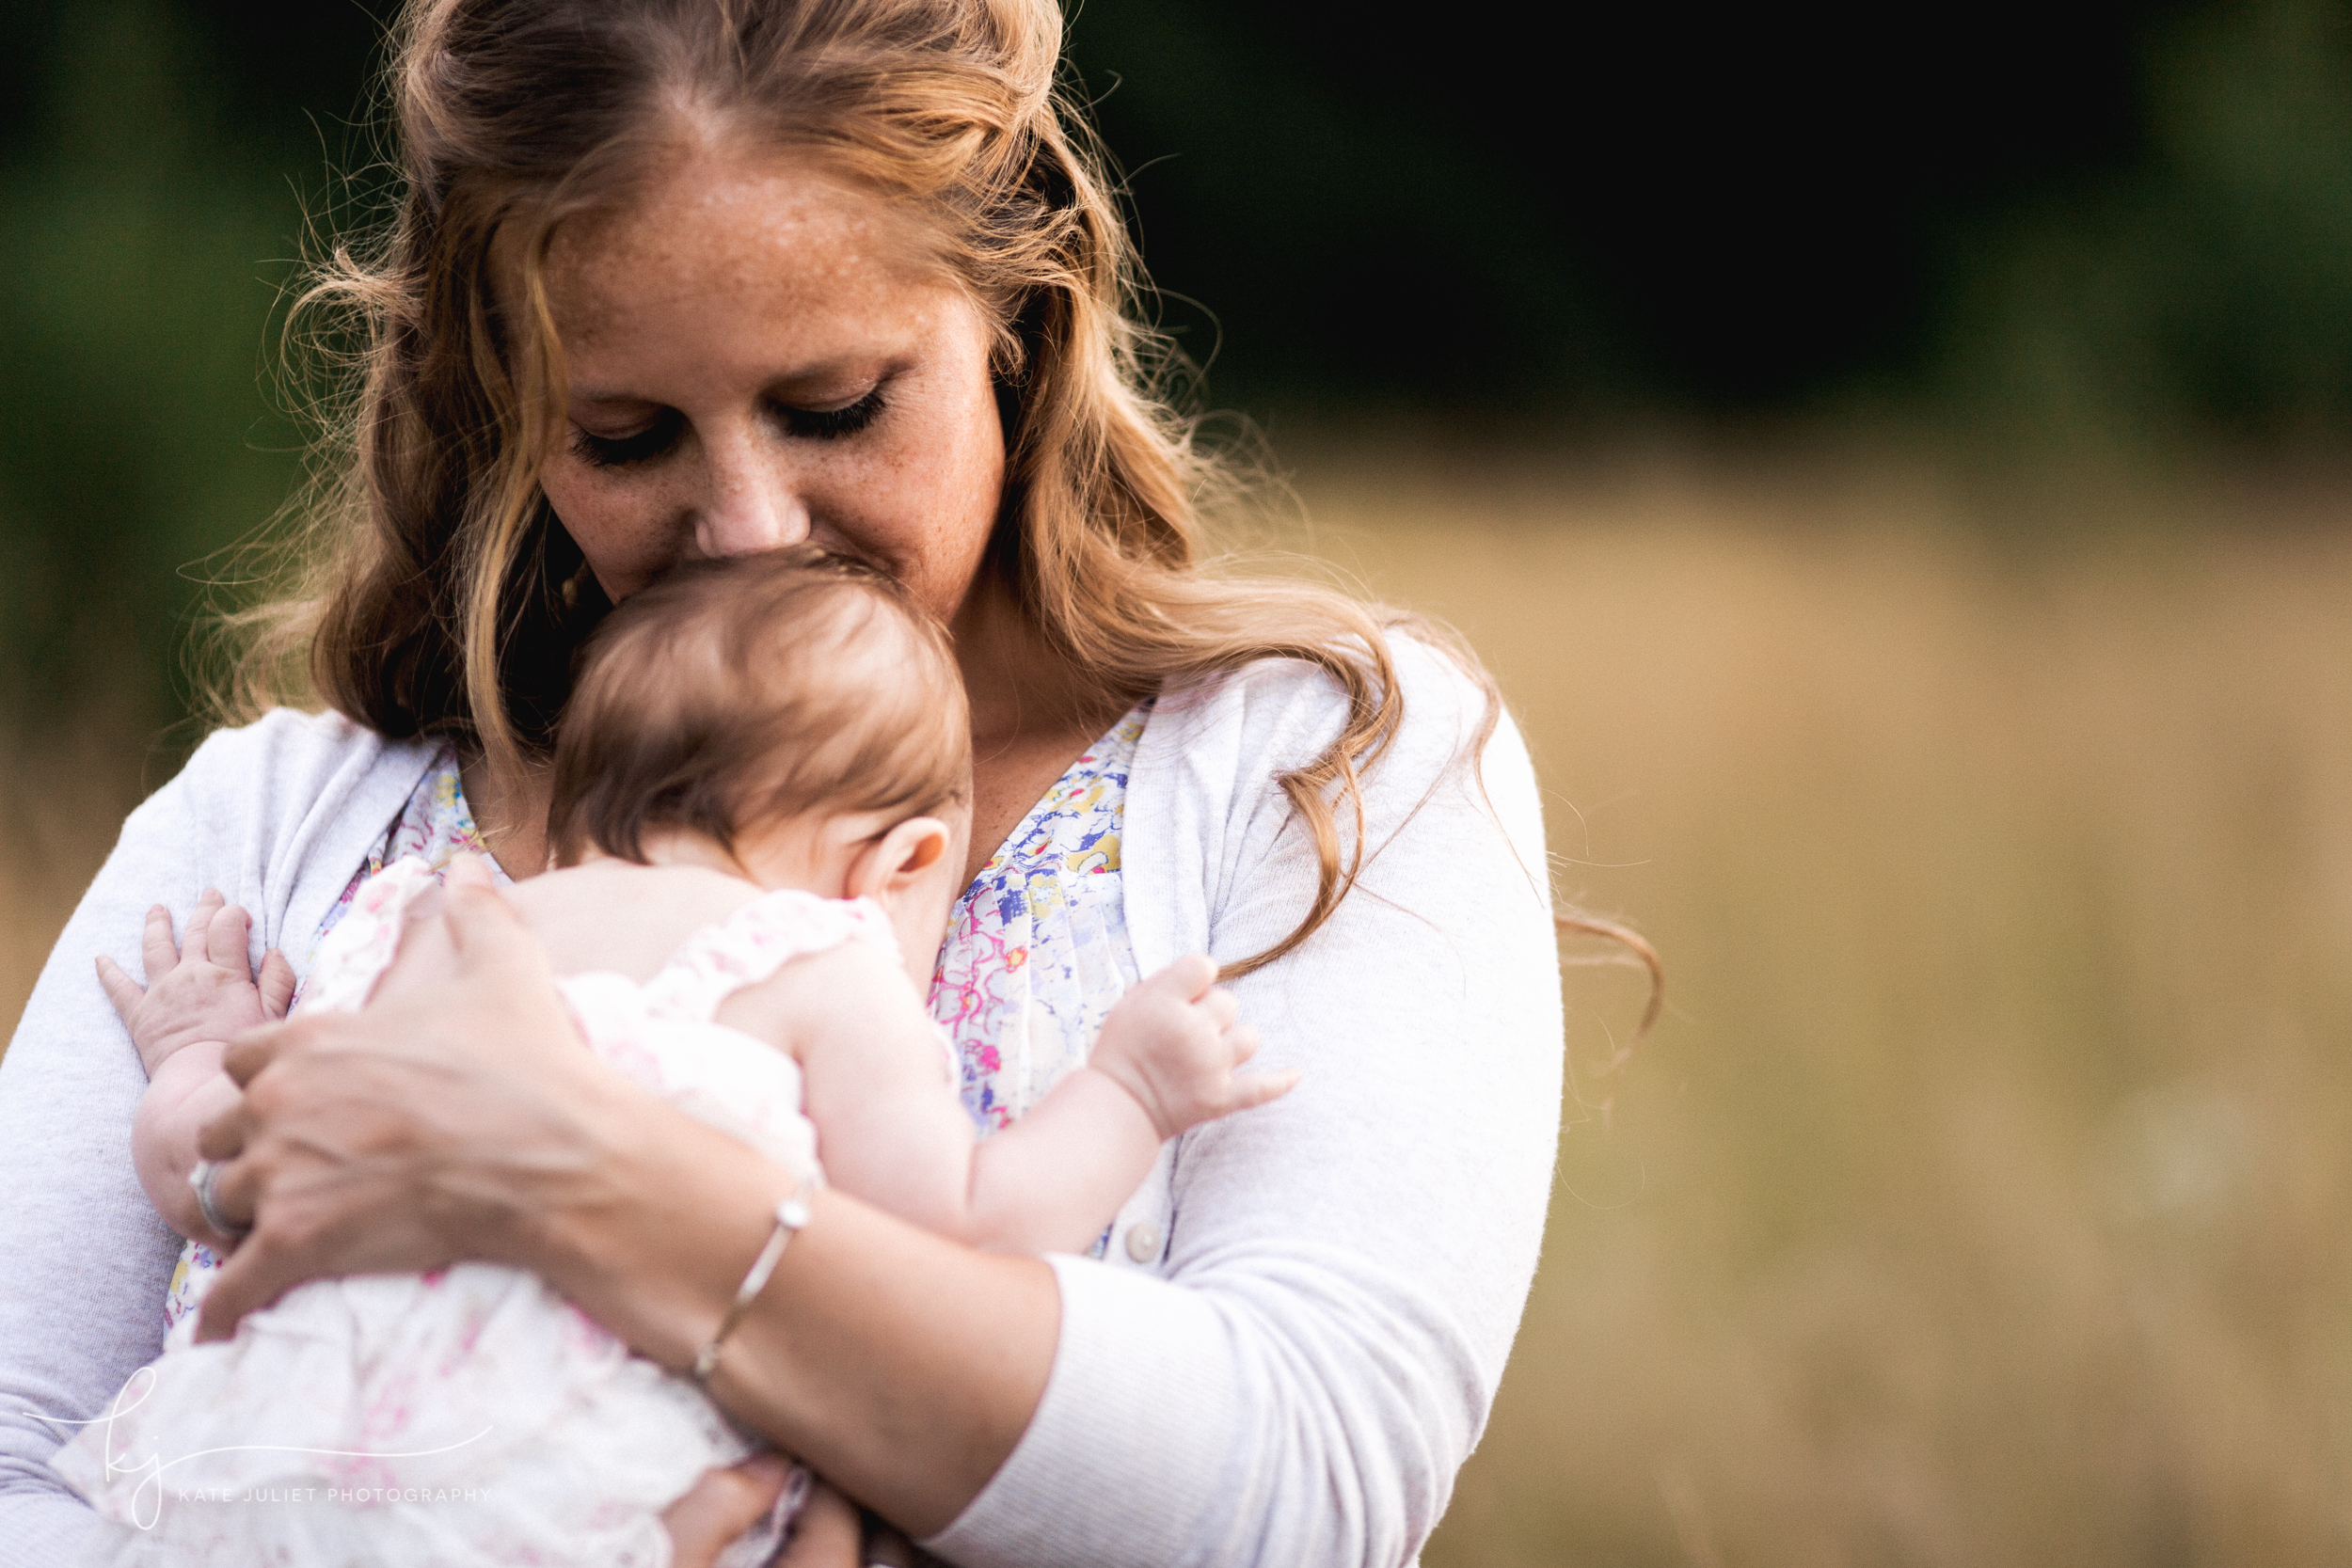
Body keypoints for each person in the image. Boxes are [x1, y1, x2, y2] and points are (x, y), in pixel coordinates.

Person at [0, 1, 1571, 1563]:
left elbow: (1303, 1486)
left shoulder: (1314, 772)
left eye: (835, 409)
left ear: (1014, 311)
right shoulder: (285, 837)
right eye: (622, 438)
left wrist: (593, 1186)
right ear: (507, 406)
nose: (747, 527)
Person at [54, 547, 1291, 1565]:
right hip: (549, 1502)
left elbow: (201, 1168)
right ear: (905, 863)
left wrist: (196, 1043)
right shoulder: (813, 955)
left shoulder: (420, 921)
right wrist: (1129, 1088)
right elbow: (963, 1231)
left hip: (254, 1477)